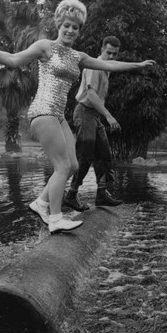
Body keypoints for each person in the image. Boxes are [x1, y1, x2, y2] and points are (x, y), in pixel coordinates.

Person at [0, 0, 156, 234]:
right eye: (67, 26)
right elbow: (13, 59)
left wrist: (138, 65)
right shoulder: (45, 46)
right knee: (62, 166)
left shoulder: (78, 57)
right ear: (59, 25)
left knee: (73, 165)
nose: (71, 30)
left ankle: (40, 203)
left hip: (58, 115)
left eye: (76, 27)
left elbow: (109, 65)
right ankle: (55, 219)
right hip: (43, 110)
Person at [64, 36, 124, 212]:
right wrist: (109, 116)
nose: (111, 57)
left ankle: (102, 194)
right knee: (85, 155)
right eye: (108, 53)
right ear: (102, 50)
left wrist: (102, 115)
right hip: (84, 112)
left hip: (94, 116)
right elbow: (90, 95)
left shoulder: (106, 70)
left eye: (115, 54)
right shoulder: (94, 67)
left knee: (104, 155)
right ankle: (71, 195)